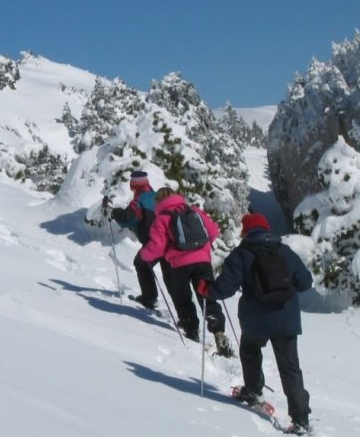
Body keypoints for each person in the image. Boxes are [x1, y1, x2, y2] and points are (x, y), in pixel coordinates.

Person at [196, 212, 313, 435]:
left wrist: (206, 289)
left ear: (245, 231)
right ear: (267, 229)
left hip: (256, 318)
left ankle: (253, 391)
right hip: (286, 318)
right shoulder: (284, 251)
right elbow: (305, 282)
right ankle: (300, 420)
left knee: (250, 350)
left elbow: (225, 288)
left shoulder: (241, 254)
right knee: (290, 367)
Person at [139, 187, 233, 357]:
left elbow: (157, 247)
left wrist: (144, 256)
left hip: (179, 265)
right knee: (207, 295)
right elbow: (213, 231)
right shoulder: (194, 210)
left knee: (182, 298)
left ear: (158, 202)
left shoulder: (162, 219)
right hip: (202, 261)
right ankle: (218, 331)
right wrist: (202, 248)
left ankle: (191, 329)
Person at [102, 171, 175, 310]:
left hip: (153, 242)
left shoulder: (140, 200)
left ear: (134, 185)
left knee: (141, 263)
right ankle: (185, 316)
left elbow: (127, 219)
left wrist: (113, 212)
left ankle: (149, 298)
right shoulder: (156, 196)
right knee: (170, 278)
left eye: (132, 185)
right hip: (170, 242)